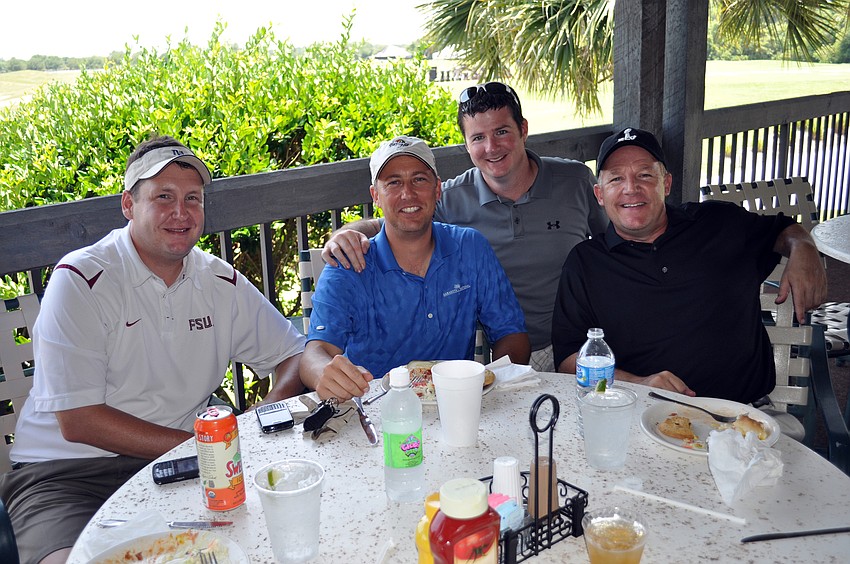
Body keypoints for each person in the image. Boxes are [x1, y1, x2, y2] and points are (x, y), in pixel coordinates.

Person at [0, 136, 306, 563]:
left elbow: (294, 354)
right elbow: (79, 420)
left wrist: (253, 424)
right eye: (163, 197)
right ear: (129, 204)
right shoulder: (82, 279)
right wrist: (204, 446)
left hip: (185, 465)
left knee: (263, 540)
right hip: (66, 475)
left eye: (192, 198)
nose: (181, 212)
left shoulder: (219, 281)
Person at [322, 82, 607, 373]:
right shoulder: (450, 199)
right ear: (467, 145)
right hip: (515, 351)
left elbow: (611, 243)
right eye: (478, 137)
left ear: (523, 129)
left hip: (583, 341)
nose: (491, 147)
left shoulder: (575, 181)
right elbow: (399, 222)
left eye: (501, 132)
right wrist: (343, 236)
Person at [552, 127, 827, 403]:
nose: (631, 188)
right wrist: (639, 383)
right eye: (616, 178)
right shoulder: (585, 263)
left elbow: (783, 230)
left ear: (666, 184)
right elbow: (568, 360)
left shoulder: (718, 223)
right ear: (600, 194)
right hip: (640, 413)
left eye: (645, 175)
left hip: (743, 414)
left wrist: (803, 246)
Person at [299, 135, 530, 400]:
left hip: (455, 404)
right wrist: (325, 374)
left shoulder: (470, 248)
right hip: (375, 408)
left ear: (437, 189)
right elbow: (315, 352)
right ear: (376, 196)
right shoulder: (348, 264)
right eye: (393, 182)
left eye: (419, 179)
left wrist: (492, 387)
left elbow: (512, 333)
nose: (407, 193)